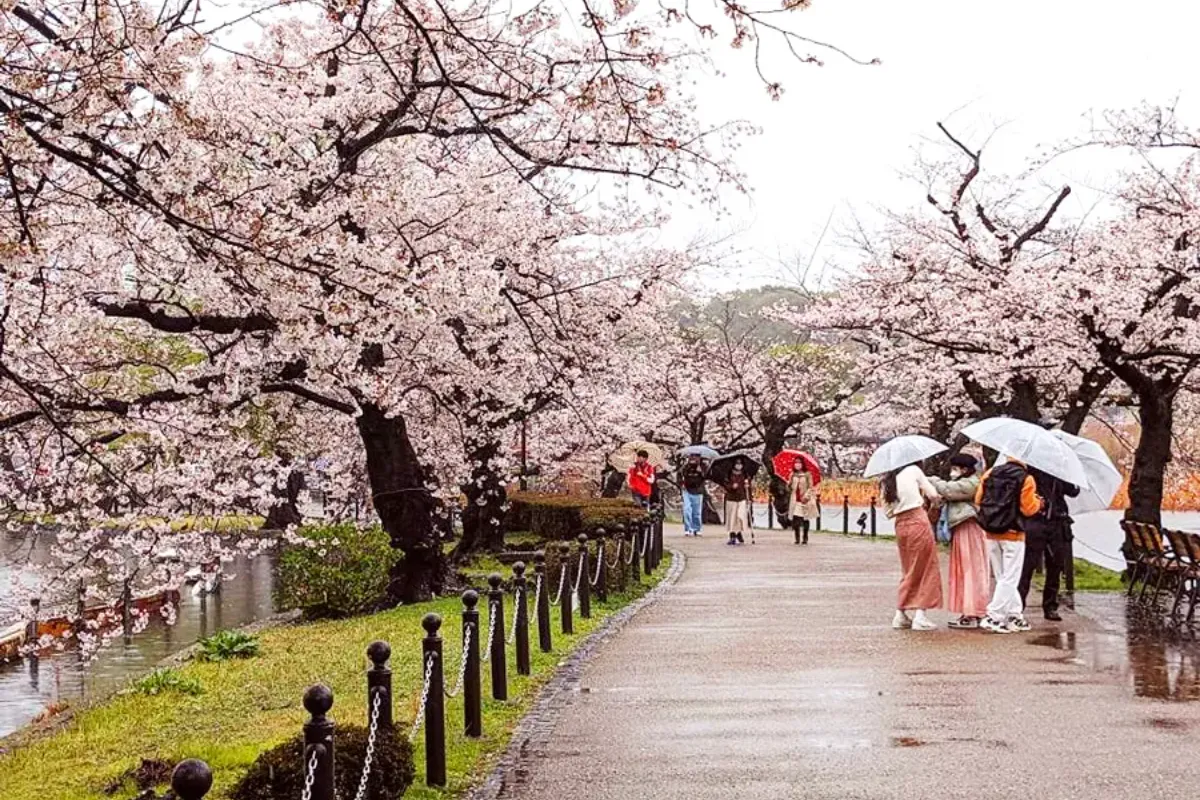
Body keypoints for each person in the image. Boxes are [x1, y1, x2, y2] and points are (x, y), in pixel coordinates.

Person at [975, 460, 1042, 634]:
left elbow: (978, 499)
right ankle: (994, 616)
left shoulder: (990, 473)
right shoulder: (1026, 479)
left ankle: (1014, 615)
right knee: (1010, 577)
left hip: (991, 531)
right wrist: (1039, 503)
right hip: (1013, 533)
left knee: (1001, 576)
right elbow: (1028, 509)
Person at [929, 454, 991, 629]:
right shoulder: (969, 481)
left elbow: (949, 490)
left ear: (964, 469)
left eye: (955, 468)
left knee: (970, 569)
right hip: (962, 528)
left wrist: (931, 480)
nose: (952, 471)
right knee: (965, 569)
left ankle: (974, 611)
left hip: (969, 528)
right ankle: (969, 610)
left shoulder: (972, 483)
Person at [881, 461, 943, 631]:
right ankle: (920, 615)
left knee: (908, 568)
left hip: (901, 524)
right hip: (918, 520)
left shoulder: (887, 481)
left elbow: (887, 512)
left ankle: (900, 613)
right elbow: (933, 494)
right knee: (926, 567)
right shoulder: (913, 470)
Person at [1018, 467, 1079, 622]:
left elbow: (1073, 491)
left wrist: (1064, 476)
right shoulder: (1029, 471)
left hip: (1057, 521)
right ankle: (1018, 605)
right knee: (1027, 565)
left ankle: (1050, 605)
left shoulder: (1060, 470)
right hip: (1035, 520)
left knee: (1056, 565)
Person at [788, 466, 817, 545]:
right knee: (796, 519)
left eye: (799, 462)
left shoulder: (807, 474)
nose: (798, 465)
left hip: (804, 499)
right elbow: (789, 488)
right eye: (796, 463)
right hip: (795, 499)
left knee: (805, 519)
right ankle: (797, 538)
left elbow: (811, 487)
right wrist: (789, 481)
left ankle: (805, 537)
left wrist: (807, 496)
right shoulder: (793, 474)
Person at [680, 455, 707, 537]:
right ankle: (688, 529)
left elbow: (706, 477)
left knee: (697, 512)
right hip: (687, 490)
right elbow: (680, 476)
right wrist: (681, 484)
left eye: (696, 458)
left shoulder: (703, 467)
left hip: (698, 491)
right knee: (687, 510)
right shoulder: (685, 467)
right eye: (691, 457)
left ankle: (697, 529)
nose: (693, 460)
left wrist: (700, 472)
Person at [723, 460, 749, 545]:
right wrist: (731, 486)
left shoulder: (745, 474)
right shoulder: (729, 474)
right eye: (737, 464)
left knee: (740, 516)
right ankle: (733, 534)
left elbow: (748, 487)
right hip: (731, 498)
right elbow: (725, 485)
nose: (739, 465)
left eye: (740, 464)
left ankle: (739, 532)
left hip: (741, 498)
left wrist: (747, 488)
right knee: (732, 518)